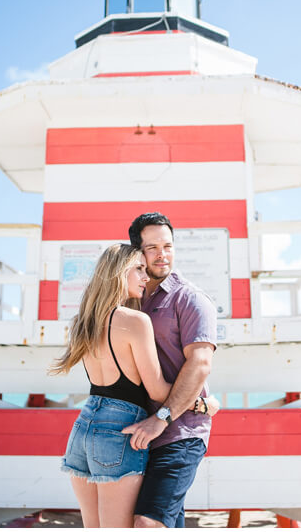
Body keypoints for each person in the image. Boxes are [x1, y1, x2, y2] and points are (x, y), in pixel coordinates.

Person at [49, 244, 175, 528]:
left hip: (83, 427)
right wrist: (196, 398)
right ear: (119, 273)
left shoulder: (82, 322)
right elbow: (157, 392)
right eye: (139, 269)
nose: (146, 277)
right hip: (119, 429)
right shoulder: (136, 322)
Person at [120, 213, 218, 528]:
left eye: (168, 246)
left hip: (180, 432)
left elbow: (200, 363)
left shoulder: (191, 299)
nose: (162, 255)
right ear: (138, 252)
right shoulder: (132, 300)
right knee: (167, 521)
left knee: (147, 523)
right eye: (152, 248)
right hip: (140, 432)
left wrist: (162, 419)